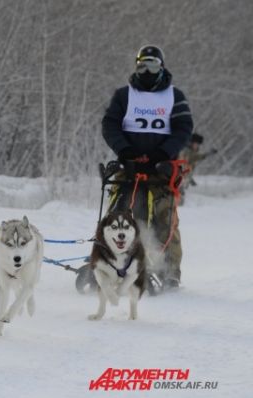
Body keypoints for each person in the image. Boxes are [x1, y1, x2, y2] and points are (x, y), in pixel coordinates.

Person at [101, 45, 193, 289]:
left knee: (165, 220)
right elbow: (110, 124)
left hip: (162, 169)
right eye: (142, 65)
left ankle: (169, 272)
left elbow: (184, 129)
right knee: (119, 218)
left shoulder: (176, 96)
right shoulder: (124, 95)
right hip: (129, 168)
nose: (147, 70)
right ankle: (108, 262)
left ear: (161, 67)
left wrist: (162, 154)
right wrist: (125, 151)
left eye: (152, 65)